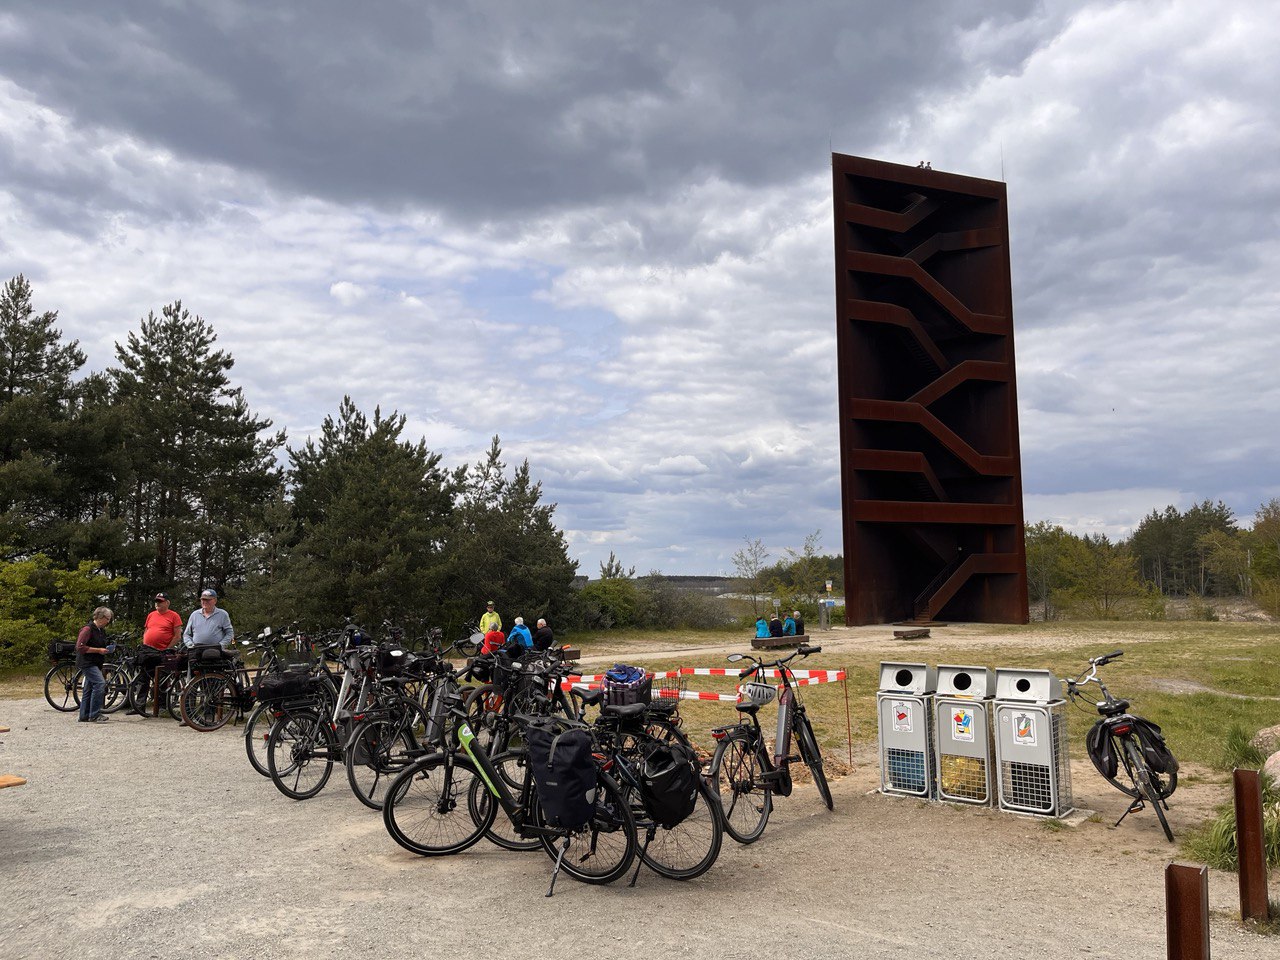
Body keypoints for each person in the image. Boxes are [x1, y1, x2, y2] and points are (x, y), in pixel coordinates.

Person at [133, 593, 183, 715]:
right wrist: (145, 642)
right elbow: (147, 630)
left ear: (167, 602)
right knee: (143, 677)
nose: (158, 604)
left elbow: (177, 635)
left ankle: (161, 706)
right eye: (156, 602)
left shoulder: (174, 616)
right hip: (148, 650)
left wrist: (167, 648)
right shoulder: (151, 615)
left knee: (162, 679)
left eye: (160, 602)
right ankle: (139, 706)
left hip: (162, 651)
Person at [76, 607, 115, 723]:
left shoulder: (101, 630)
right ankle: (95, 714)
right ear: (100, 617)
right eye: (107, 618)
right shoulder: (87, 629)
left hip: (96, 662)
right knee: (100, 683)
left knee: (88, 688)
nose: (108, 621)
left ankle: (84, 715)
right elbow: (80, 647)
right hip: (87, 662)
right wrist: (98, 650)